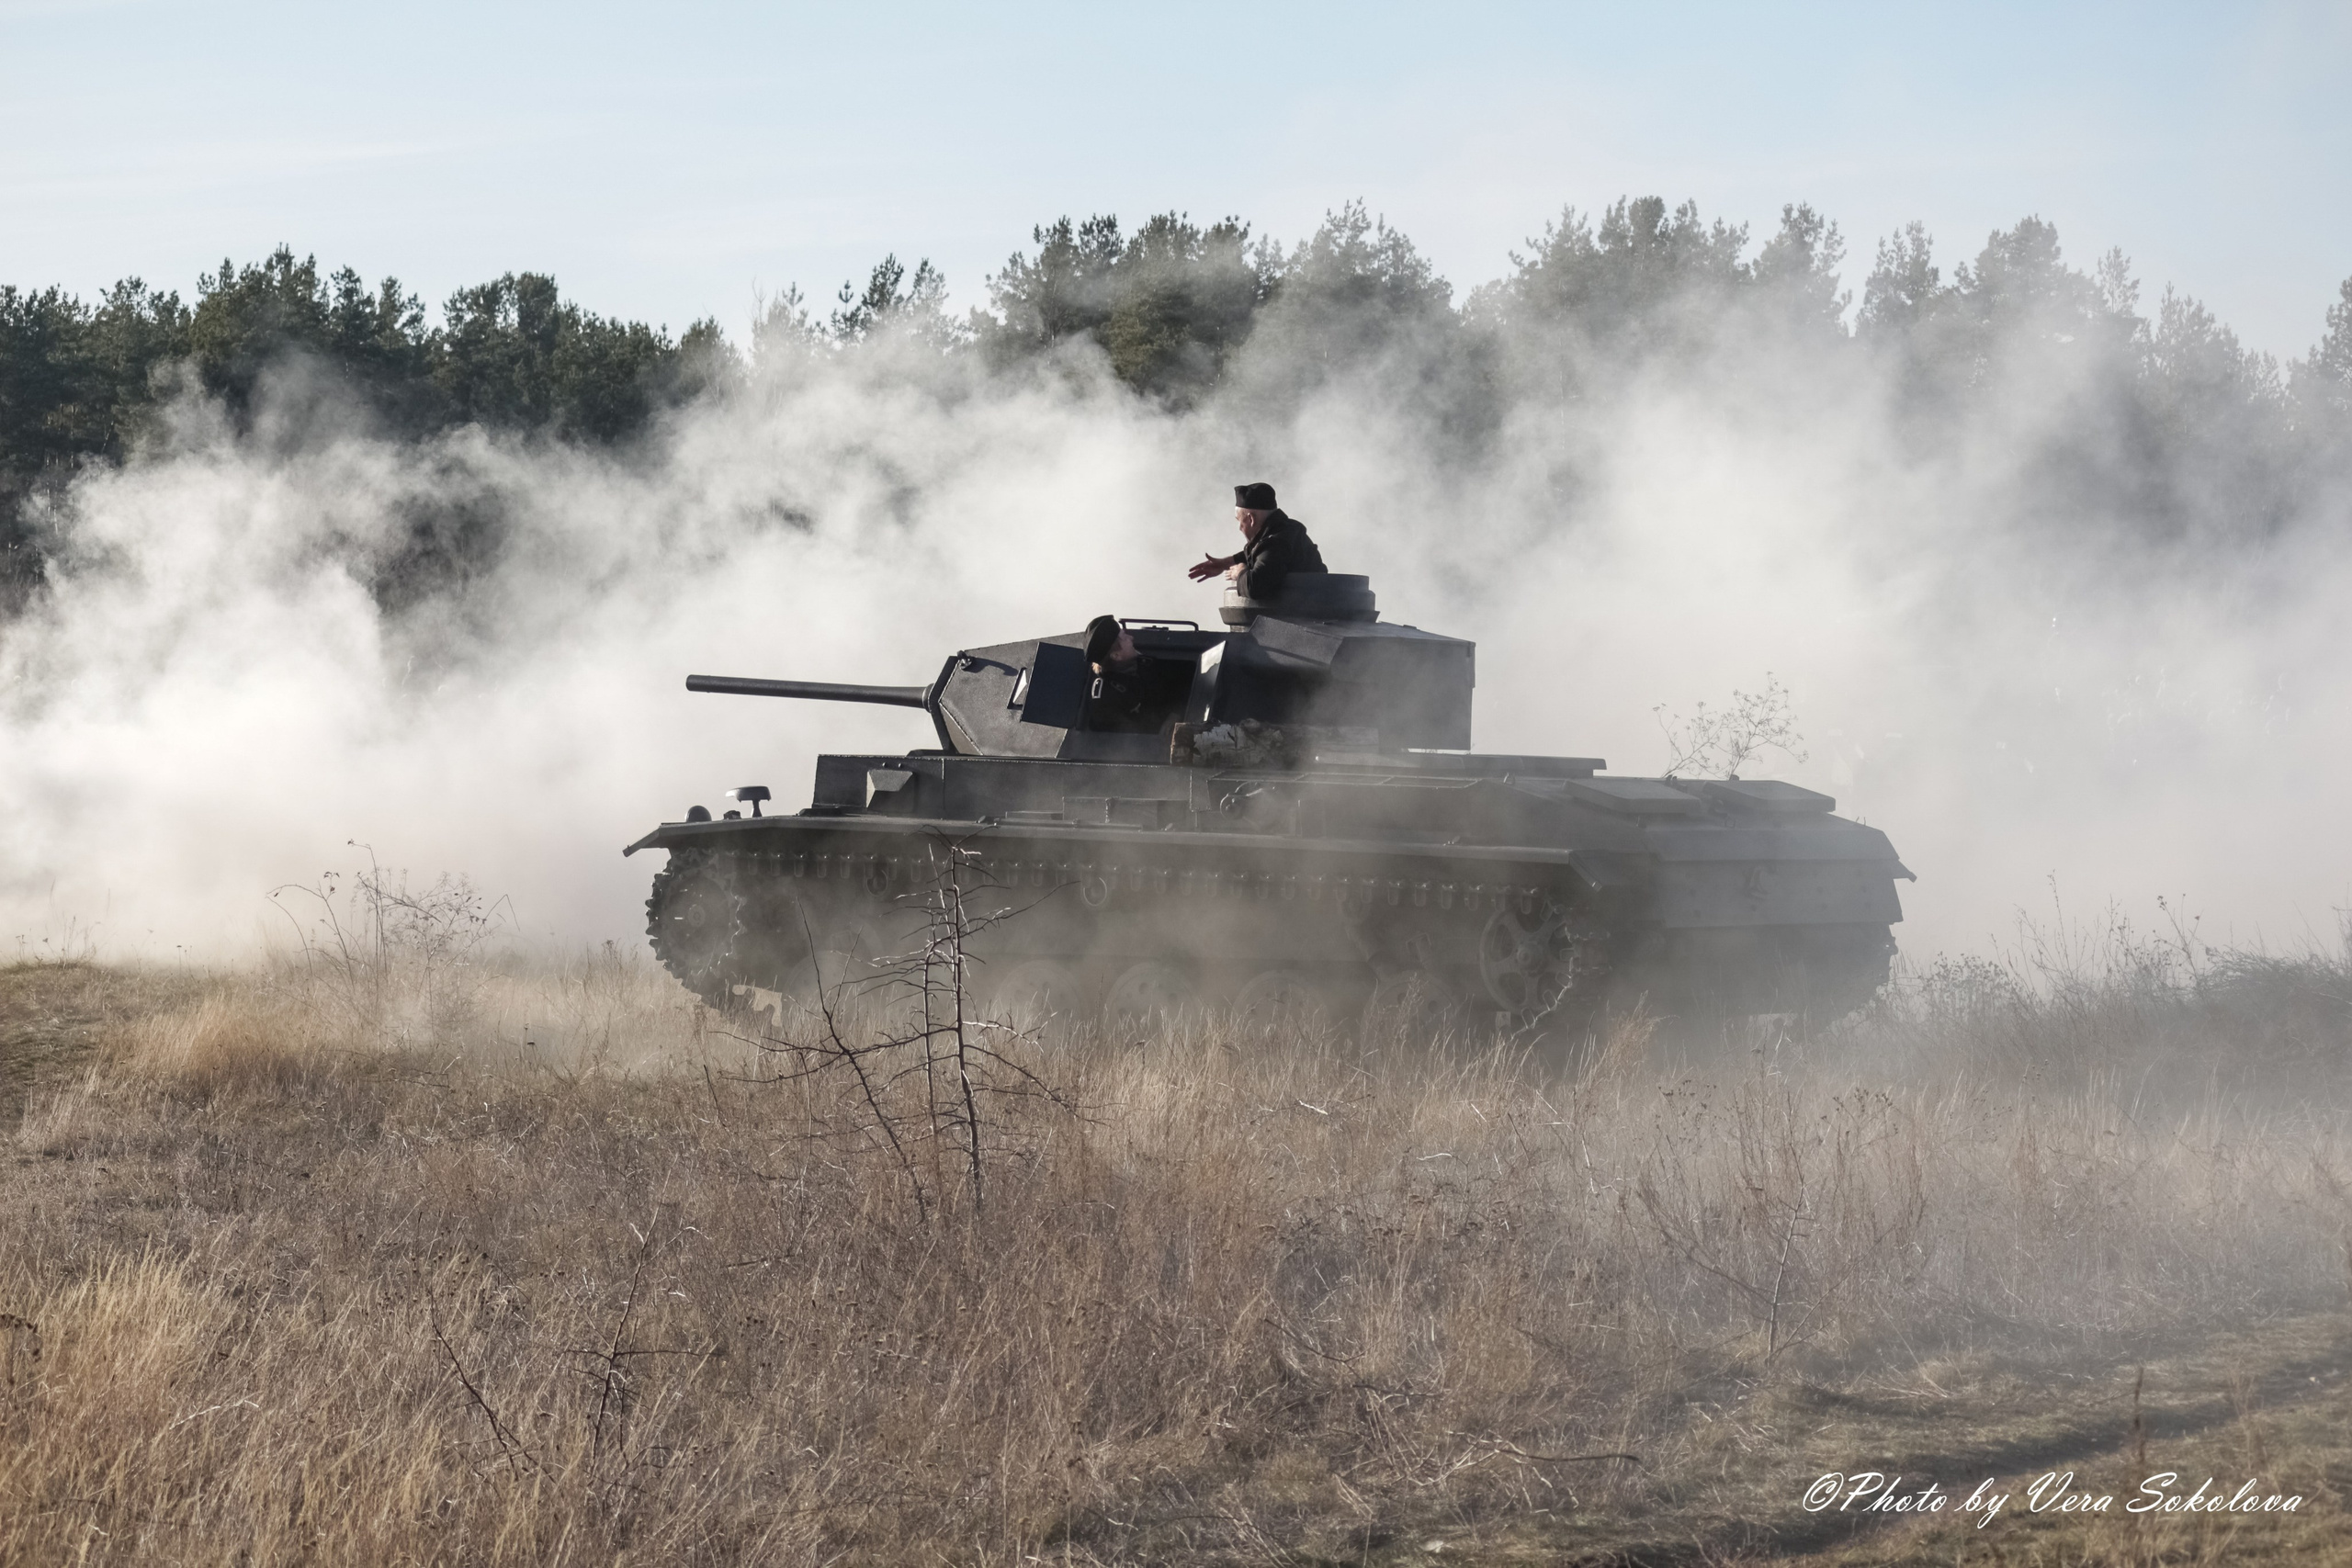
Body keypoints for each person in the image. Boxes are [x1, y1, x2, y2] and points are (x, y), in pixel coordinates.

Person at [1186, 481, 1326, 598]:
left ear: (1251, 519)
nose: (1239, 527)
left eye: (1239, 520)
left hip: (1300, 620)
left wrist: (1239, 573)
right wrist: (1226, 563)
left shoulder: (1276, 542)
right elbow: (1261, 554)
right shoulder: (1286, 530)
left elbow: (1255, 587)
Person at [1082, 614, 1193, 733]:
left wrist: (1175, 714)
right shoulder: (1105, 698)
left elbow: (1185, 680)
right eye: (1124, 638)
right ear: (1116, 656)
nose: (1131, 638)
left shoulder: (1146, 663)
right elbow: (1122, 739)